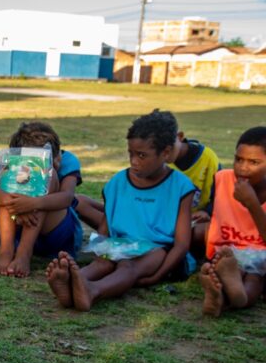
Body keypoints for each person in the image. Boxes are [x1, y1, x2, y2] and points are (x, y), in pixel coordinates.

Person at [46, 110, 195, 311]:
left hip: (158, 250)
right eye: (131, 153)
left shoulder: (181, 186)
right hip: (120, 245)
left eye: (142, 155)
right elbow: (105, 229)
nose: (134, 161)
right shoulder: (117, 182)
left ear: (166, 153)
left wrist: (157, 276)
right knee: (103, 264)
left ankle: (93, 291)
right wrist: (102, 251)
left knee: (128, 266)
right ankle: (72, 281)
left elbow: (182, 243)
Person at [75, 114, 220, 254]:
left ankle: (155, 243)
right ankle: (132, 237)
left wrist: (206, 212)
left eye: (141, 155)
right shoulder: (150, 162)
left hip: (180, 224)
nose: (167, 155)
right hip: (144, 217)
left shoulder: (204, 161)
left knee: (208, 230)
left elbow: (220, 197)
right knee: (78, 202)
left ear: (179, 138)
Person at [0, 122, 83, 277]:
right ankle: (6, 253)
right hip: (16, 230)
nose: (58, 163)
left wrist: (33, 203)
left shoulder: (68, 160)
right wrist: (13, 202)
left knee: (48, 176)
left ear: (58, 153)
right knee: (4, 188)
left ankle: (24, 254)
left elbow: (67, 198)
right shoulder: (10, 162)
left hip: (55, 233)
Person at [199, 126, 266, 316]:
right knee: (228, 269)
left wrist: (252, 203)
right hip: (228, 252)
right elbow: (214, 206)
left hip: (262, 256)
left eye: (254, 162)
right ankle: (228, 296)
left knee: (255, 277)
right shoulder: (222, 179)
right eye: (238, 159)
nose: (243, 168)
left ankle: (231, 298)